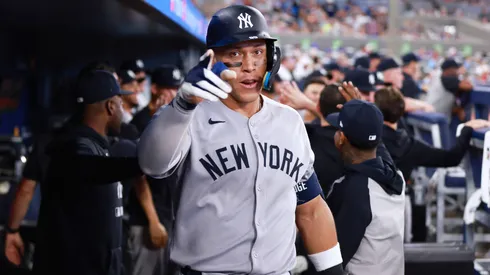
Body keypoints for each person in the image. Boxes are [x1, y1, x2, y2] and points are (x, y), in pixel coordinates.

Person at [138, 5, 343, 275]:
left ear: (272, 58)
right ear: (212, 60)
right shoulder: (188, 116)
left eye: (258, 52)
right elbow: (152, 164)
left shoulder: (290, 121)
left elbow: (311, 207)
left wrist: (333, 271)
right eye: (235, 53)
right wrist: (182, 107)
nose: (249, 66)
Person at [32, 70, 142, 275]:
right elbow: (89, 168)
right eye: (119, 102)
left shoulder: (101, 144)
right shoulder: (73, 145)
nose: (121, 109)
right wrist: (142, 164)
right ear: (110, 106)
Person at [374, 86, 490, 242]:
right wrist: (466, 130)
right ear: (402, 111)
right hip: (396, 209)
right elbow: (452, 158)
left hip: (369, 206)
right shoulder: (409, 145)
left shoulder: (368, 139)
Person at [325, 100, 405, 275]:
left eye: (338, 130)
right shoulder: (396, 176)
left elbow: (330, 260)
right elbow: (380, 151)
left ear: (342, 138)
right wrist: (363, 113)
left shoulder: (353, 190)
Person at [131, 65, 183, 133]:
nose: (175, 94)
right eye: (170, 88)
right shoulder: (139, 122)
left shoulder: (177, 116)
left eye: (178, 88)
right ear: (154, 89)